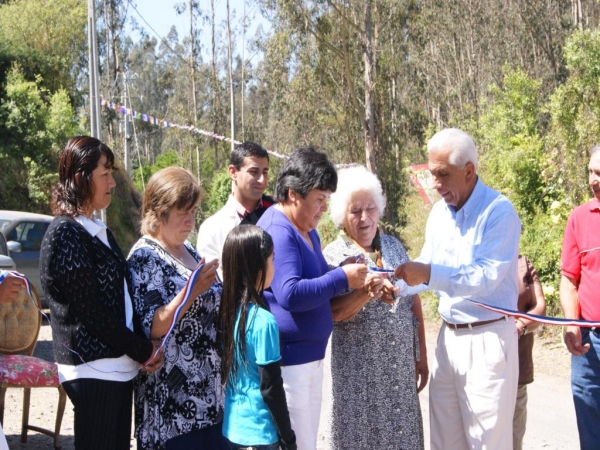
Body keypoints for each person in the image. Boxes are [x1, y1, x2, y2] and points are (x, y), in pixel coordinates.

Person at [395, 128, 521, 450]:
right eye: (431, 173)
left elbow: (485, 277)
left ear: (468, 172)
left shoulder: (499, 212)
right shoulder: (438, 213)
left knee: (488, 444)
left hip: (487, 340)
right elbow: (427, 263)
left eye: (442, 174)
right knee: (445, 443)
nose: (435, 184)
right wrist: (395, 285)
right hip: (448, 341)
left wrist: (428, 273)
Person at [39, 136, 163, 450]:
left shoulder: (99, 230)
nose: (112, 183)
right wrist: (141, 348)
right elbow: (91, 313)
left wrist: (139, 348)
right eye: (104, 174)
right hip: (93, 369)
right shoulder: (65, 232)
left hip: (116, 368)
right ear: (82, 178)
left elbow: (119, 298)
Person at [256, 148, 371, 450]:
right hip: (289, 364)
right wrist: (342, 278)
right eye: (319, 199)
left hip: (307, 360)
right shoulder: (279, 230)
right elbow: (291, 293)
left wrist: (346, 272)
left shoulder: (305, 229)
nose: (323, 208)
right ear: (294, 194)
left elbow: (318, 276)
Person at [322, 165, 427, 449]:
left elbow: (413, 300)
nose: (365, 218)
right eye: (355, 211)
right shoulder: (333, 256)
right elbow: (334, 312)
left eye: (370, 209)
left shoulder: (393, 247)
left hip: (399, 371)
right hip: (358, 376)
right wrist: (367, 293)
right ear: (342, 216)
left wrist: (422, 356)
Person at [127, 167, 226, 450]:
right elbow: (153, 324)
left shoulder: (190, 251)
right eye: (183, 211)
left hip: (207, 396)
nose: (190, 220)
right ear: (159, 211)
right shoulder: (145, 256)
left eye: (194, 211)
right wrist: (191, 291)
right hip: (172, 404)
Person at [219, 225, 297, 450]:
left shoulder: (227, 313)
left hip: (233, 429)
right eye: (272, 258)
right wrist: (287, 438)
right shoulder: (263, 321)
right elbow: (271, 387)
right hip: (260, 434)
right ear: (258, 267)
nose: (275, 264)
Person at [560, 144, 600, 449]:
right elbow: (569, 279)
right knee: (591, 432)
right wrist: (572, 323)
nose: (593, 180)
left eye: (599, 173)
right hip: (589, 342)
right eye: (590, 171)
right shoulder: (578, 218)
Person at [197, 141, 272, 278]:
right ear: (233, 172)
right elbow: (214, 284)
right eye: (253, 172)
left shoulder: (277, 213)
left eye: (265, 172)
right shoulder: (211, 228)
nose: (262, 180)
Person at [513, 255, 546, 450]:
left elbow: (539, 306)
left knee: (513, 437)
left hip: (517, 366)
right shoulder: (473, 261)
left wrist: (521, 326)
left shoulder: (522, 263)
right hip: (480, 368)